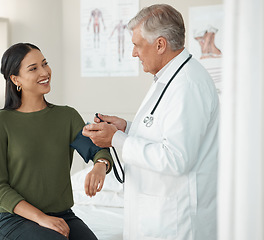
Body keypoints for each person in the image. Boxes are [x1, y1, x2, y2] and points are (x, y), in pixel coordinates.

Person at [82, 4, 219, 240]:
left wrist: (115, 138)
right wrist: (127, 127)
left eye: (137, 45)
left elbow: (176, 158)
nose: (134, 53)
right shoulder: (169, 78)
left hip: (176, 223)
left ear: (160, 44)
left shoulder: (187, 85)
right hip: (158, 218)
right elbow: (164, 128)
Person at [0, 43, 113, 240]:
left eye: (45, 64)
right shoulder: (2, 122)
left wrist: (100, 165)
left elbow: (97, 149)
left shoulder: (66, 116)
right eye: (33, 68)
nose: (44, 72)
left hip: (63, 216)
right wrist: (41, 218)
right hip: (17, 220)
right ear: (15, 79)